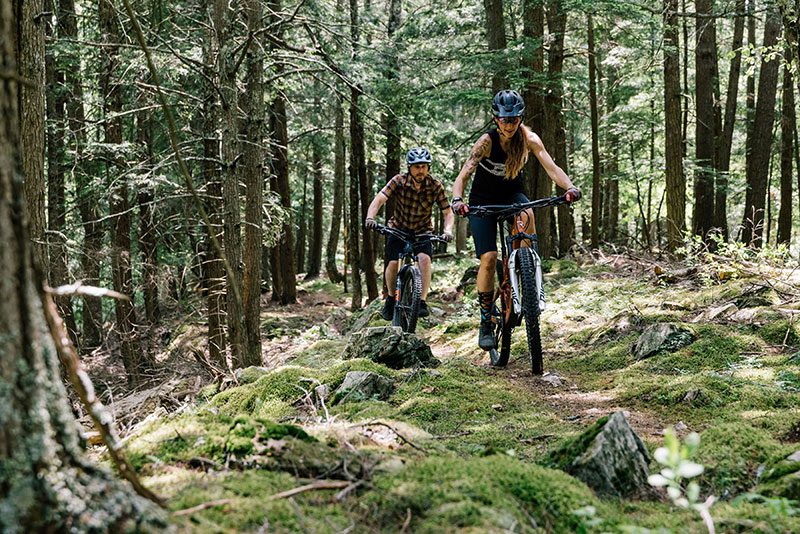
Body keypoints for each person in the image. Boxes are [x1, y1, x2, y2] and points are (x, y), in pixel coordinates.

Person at [451, 90, 581, 350]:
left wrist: (569, 187)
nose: (509, 125)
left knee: (528, 214)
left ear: (520, 118)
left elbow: (551, 167)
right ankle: (486, 320)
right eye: (503, 119)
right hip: (483, 200)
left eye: (513, 119)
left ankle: (527, 278)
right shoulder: (485, 143)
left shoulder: (529, 138)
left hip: (512, 195)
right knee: (488, 259)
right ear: (495, 119)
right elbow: (464, 175)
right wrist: (457, 200)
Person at [366, 147, 455, 320]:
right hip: (398, 228)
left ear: (428, 167)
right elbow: (380, 199)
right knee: (392, 263)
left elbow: (447, 212)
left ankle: (421, 301)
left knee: (425, 260)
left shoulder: (435, 186)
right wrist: (370, 217)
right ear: (409, 167)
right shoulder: (398, 181)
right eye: (416, 167)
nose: (420, 170)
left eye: (423, 166)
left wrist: (447, 230)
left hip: (422, 231)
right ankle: (391, 299)